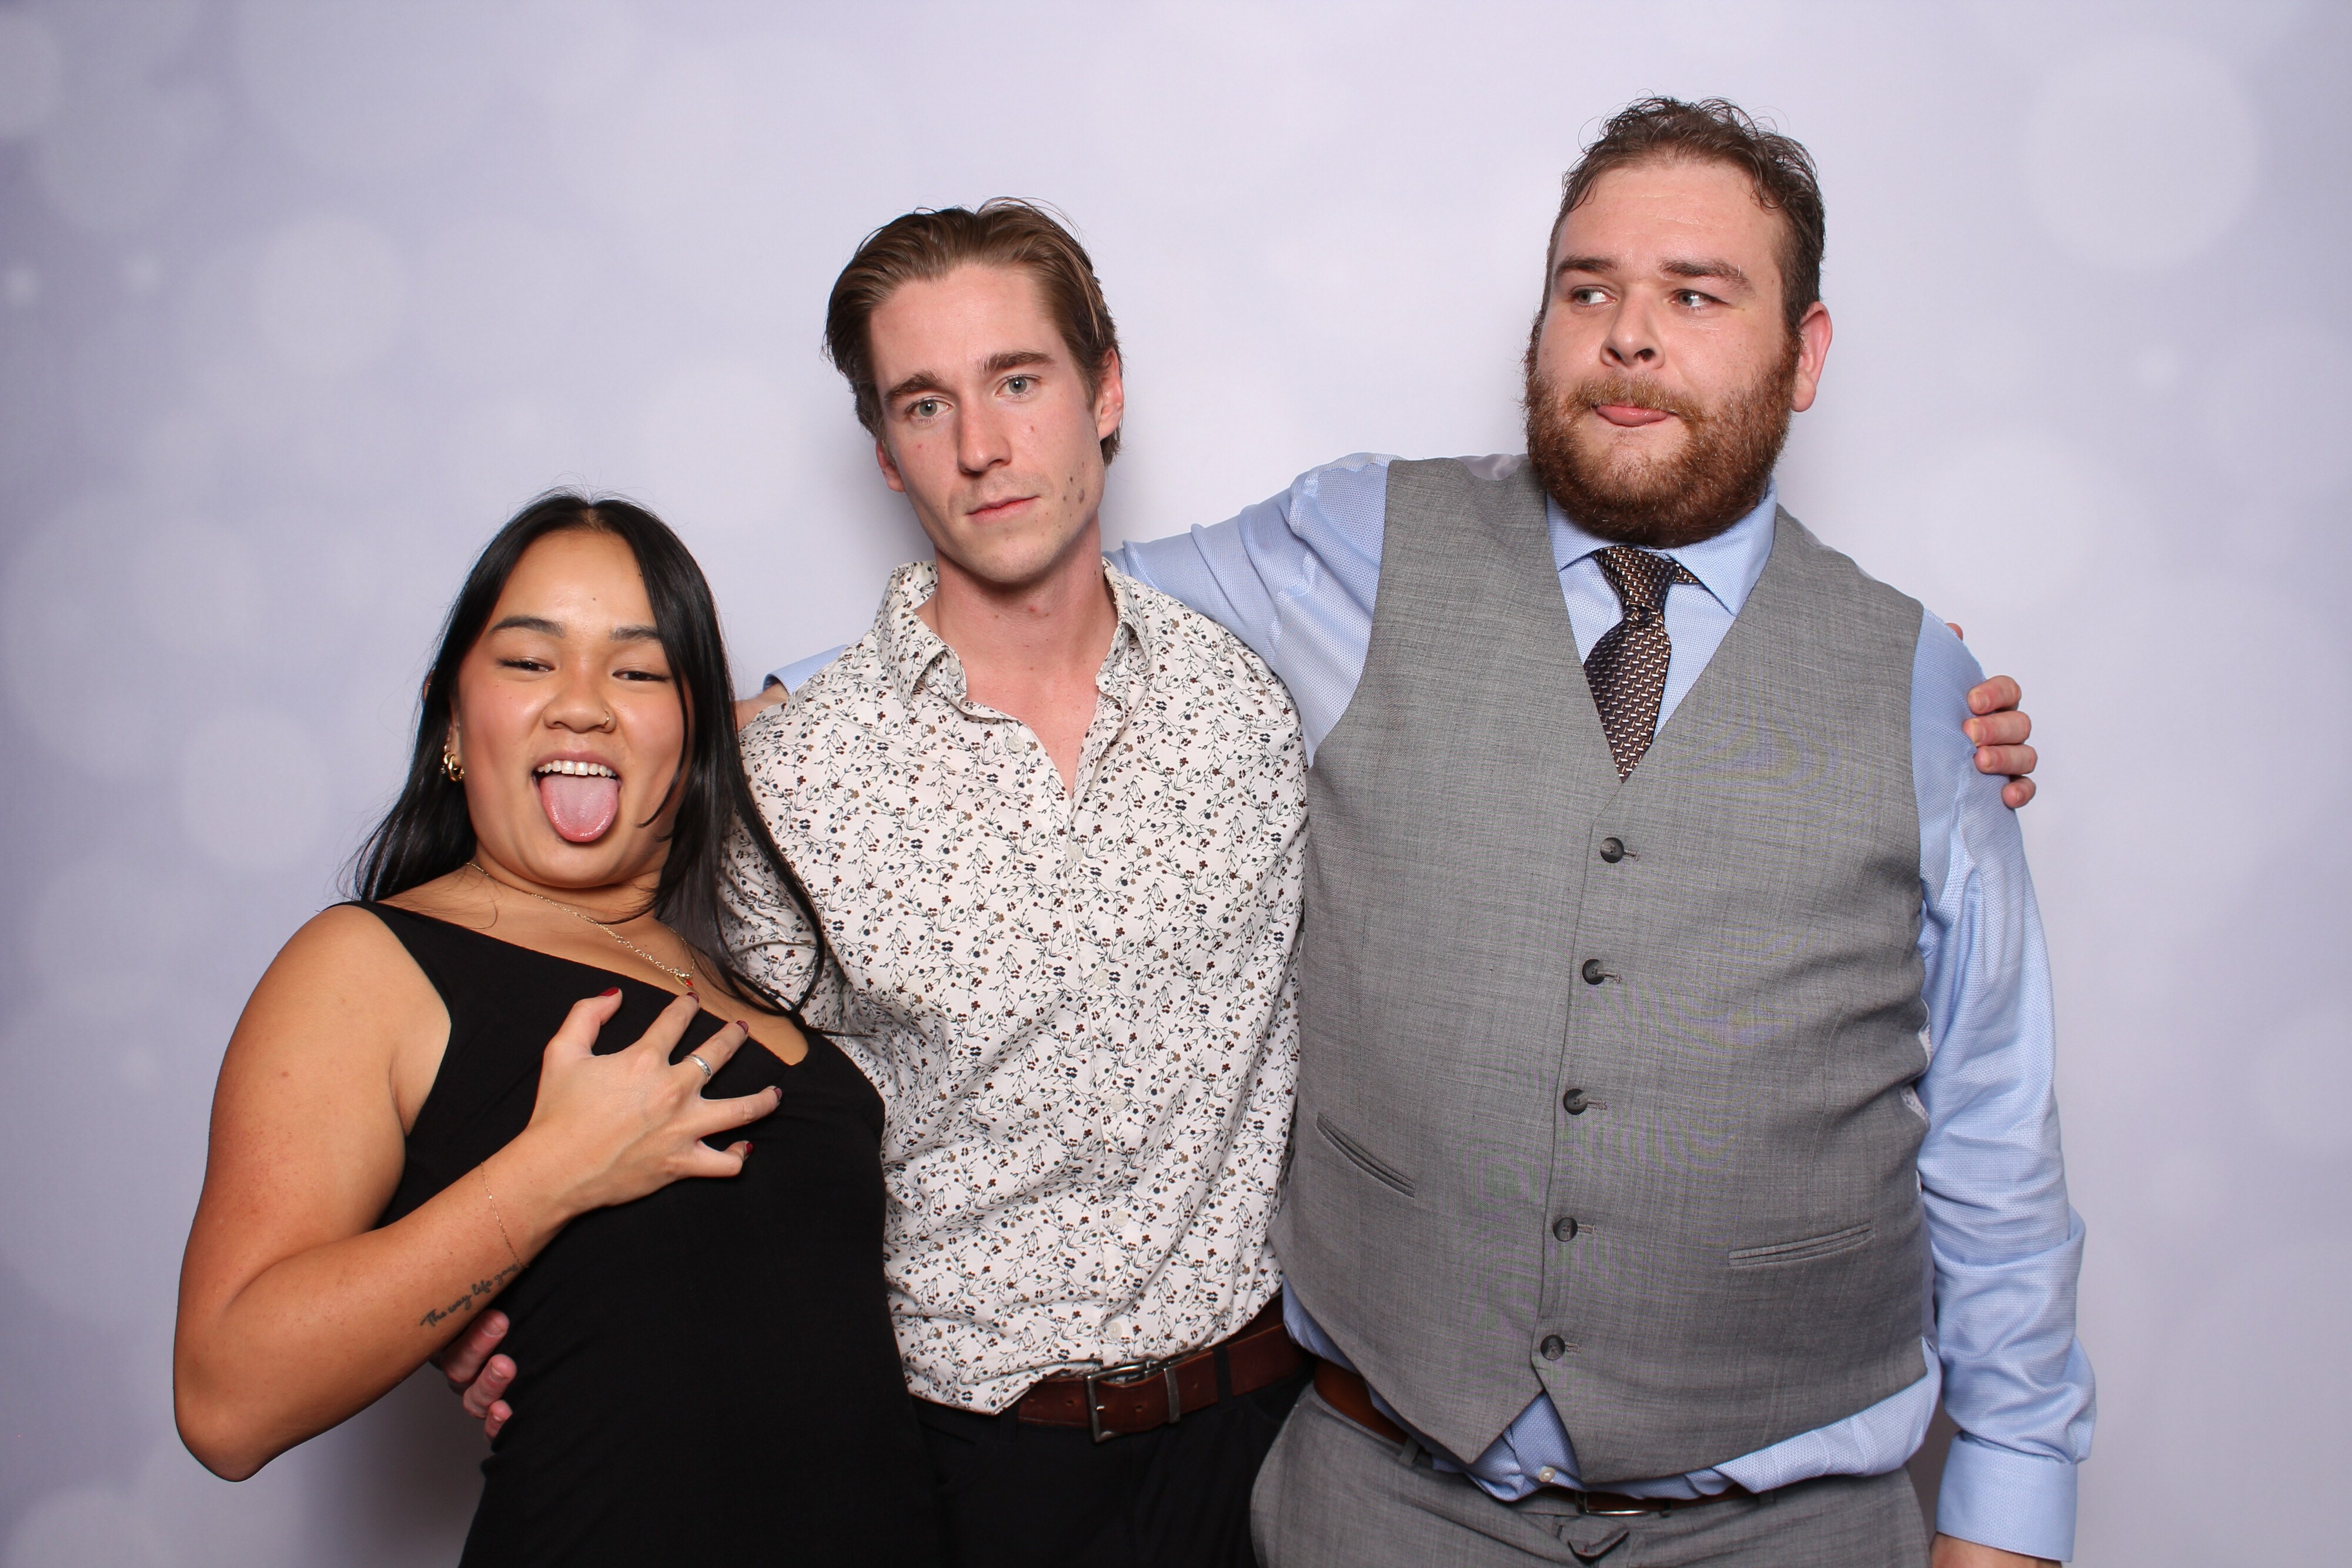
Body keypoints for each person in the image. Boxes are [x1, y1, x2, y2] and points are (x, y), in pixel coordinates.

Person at [444, 189, 2047, 1565]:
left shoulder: (1248, 680)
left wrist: (1890, 705)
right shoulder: (797, 769)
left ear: (1106, 391)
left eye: (1020, 380)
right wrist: (518, 1299)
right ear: (881, 447)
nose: (984, 445)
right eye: (925, 403)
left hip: (1256, 1448)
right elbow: (710, 1102)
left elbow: (1983, 1119)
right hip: (959, 1457)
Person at [1098, 100, 2087, 1567]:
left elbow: (1995, 1139)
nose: (1627, 335)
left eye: (1694, 295)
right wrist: (767, 710)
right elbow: (1048, 620)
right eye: (1587, 290)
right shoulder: (1351, 549)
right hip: (1380, 1496)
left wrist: (2007, 1504)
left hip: (1788, 1528)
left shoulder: (1918, 688)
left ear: (1803, 354)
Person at [173, 495, 942, 1565]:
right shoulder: (367, 964)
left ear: (696, 730)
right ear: (453, 720)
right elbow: (227, 1400)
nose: (582, 706)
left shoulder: (739, 968)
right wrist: (551, 1174)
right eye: (531, 663)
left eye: (638, 673)